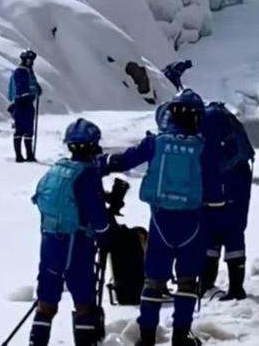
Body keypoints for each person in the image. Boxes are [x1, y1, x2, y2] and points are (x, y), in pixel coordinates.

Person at [104, 89, 206, 346]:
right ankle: (180, 337)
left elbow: (125, 160)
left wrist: (100, 162)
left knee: (153, 281)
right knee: (187, 282)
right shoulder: (203, 147)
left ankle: (147, 335)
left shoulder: (155, 143)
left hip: (160, 221)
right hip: (192, 223)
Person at [30, 118, 110, 346]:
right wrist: (106, 235)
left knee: (46, 301)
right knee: (84, 300)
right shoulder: (87, 176)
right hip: (77, 245)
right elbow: (97, 217)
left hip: (50, 243)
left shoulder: (58, 169)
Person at [199, 102, 254, 301]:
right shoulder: (233, 140)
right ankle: (236, 287)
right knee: (234, 238)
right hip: (237, 196)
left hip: (214, 199)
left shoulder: (206, 138)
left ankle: (205, 284)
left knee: (210, 239)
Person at [8, 50, 42, 162]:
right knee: (20, 128)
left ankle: (29, 154)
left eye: (32, 60)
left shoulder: (29, 71)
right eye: (29, 59)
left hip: (27, 101)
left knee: (28, 128)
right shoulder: (20, 71)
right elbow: (20, 86)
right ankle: (19, 155)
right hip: (22, 102)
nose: (31, 62)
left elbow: (32, 84)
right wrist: (27, 94)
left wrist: (37, 89)